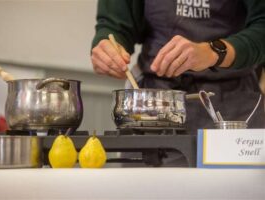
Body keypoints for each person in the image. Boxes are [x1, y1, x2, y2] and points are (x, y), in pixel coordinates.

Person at [91, 0, 265, 133]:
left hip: (234, 102)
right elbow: (114, 25)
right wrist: (106, 46)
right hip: (155, 105)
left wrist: (213, 51)